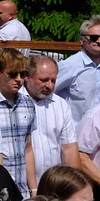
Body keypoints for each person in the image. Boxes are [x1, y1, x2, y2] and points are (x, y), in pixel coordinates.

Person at [0, 48, 38, 199]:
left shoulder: (28, 103)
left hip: (22, 190)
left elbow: (28, 149)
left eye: (23, 74)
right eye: (12, 74)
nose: (19, 79)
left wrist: (33, 189)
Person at [26, 55, 79, 183]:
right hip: (23, 184)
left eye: (53, 80)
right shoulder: (15, 103)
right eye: (44, 80)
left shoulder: (61, 105)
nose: (49, 86)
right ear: (27, 76)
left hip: (53, 184)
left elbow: (69, 148)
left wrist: (74, 184)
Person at [57, 15, 100, 124]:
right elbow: (47, 92)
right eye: (94, 37)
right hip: (77, 134)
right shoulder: (69, 65)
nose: (99, 41)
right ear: (82, 40)